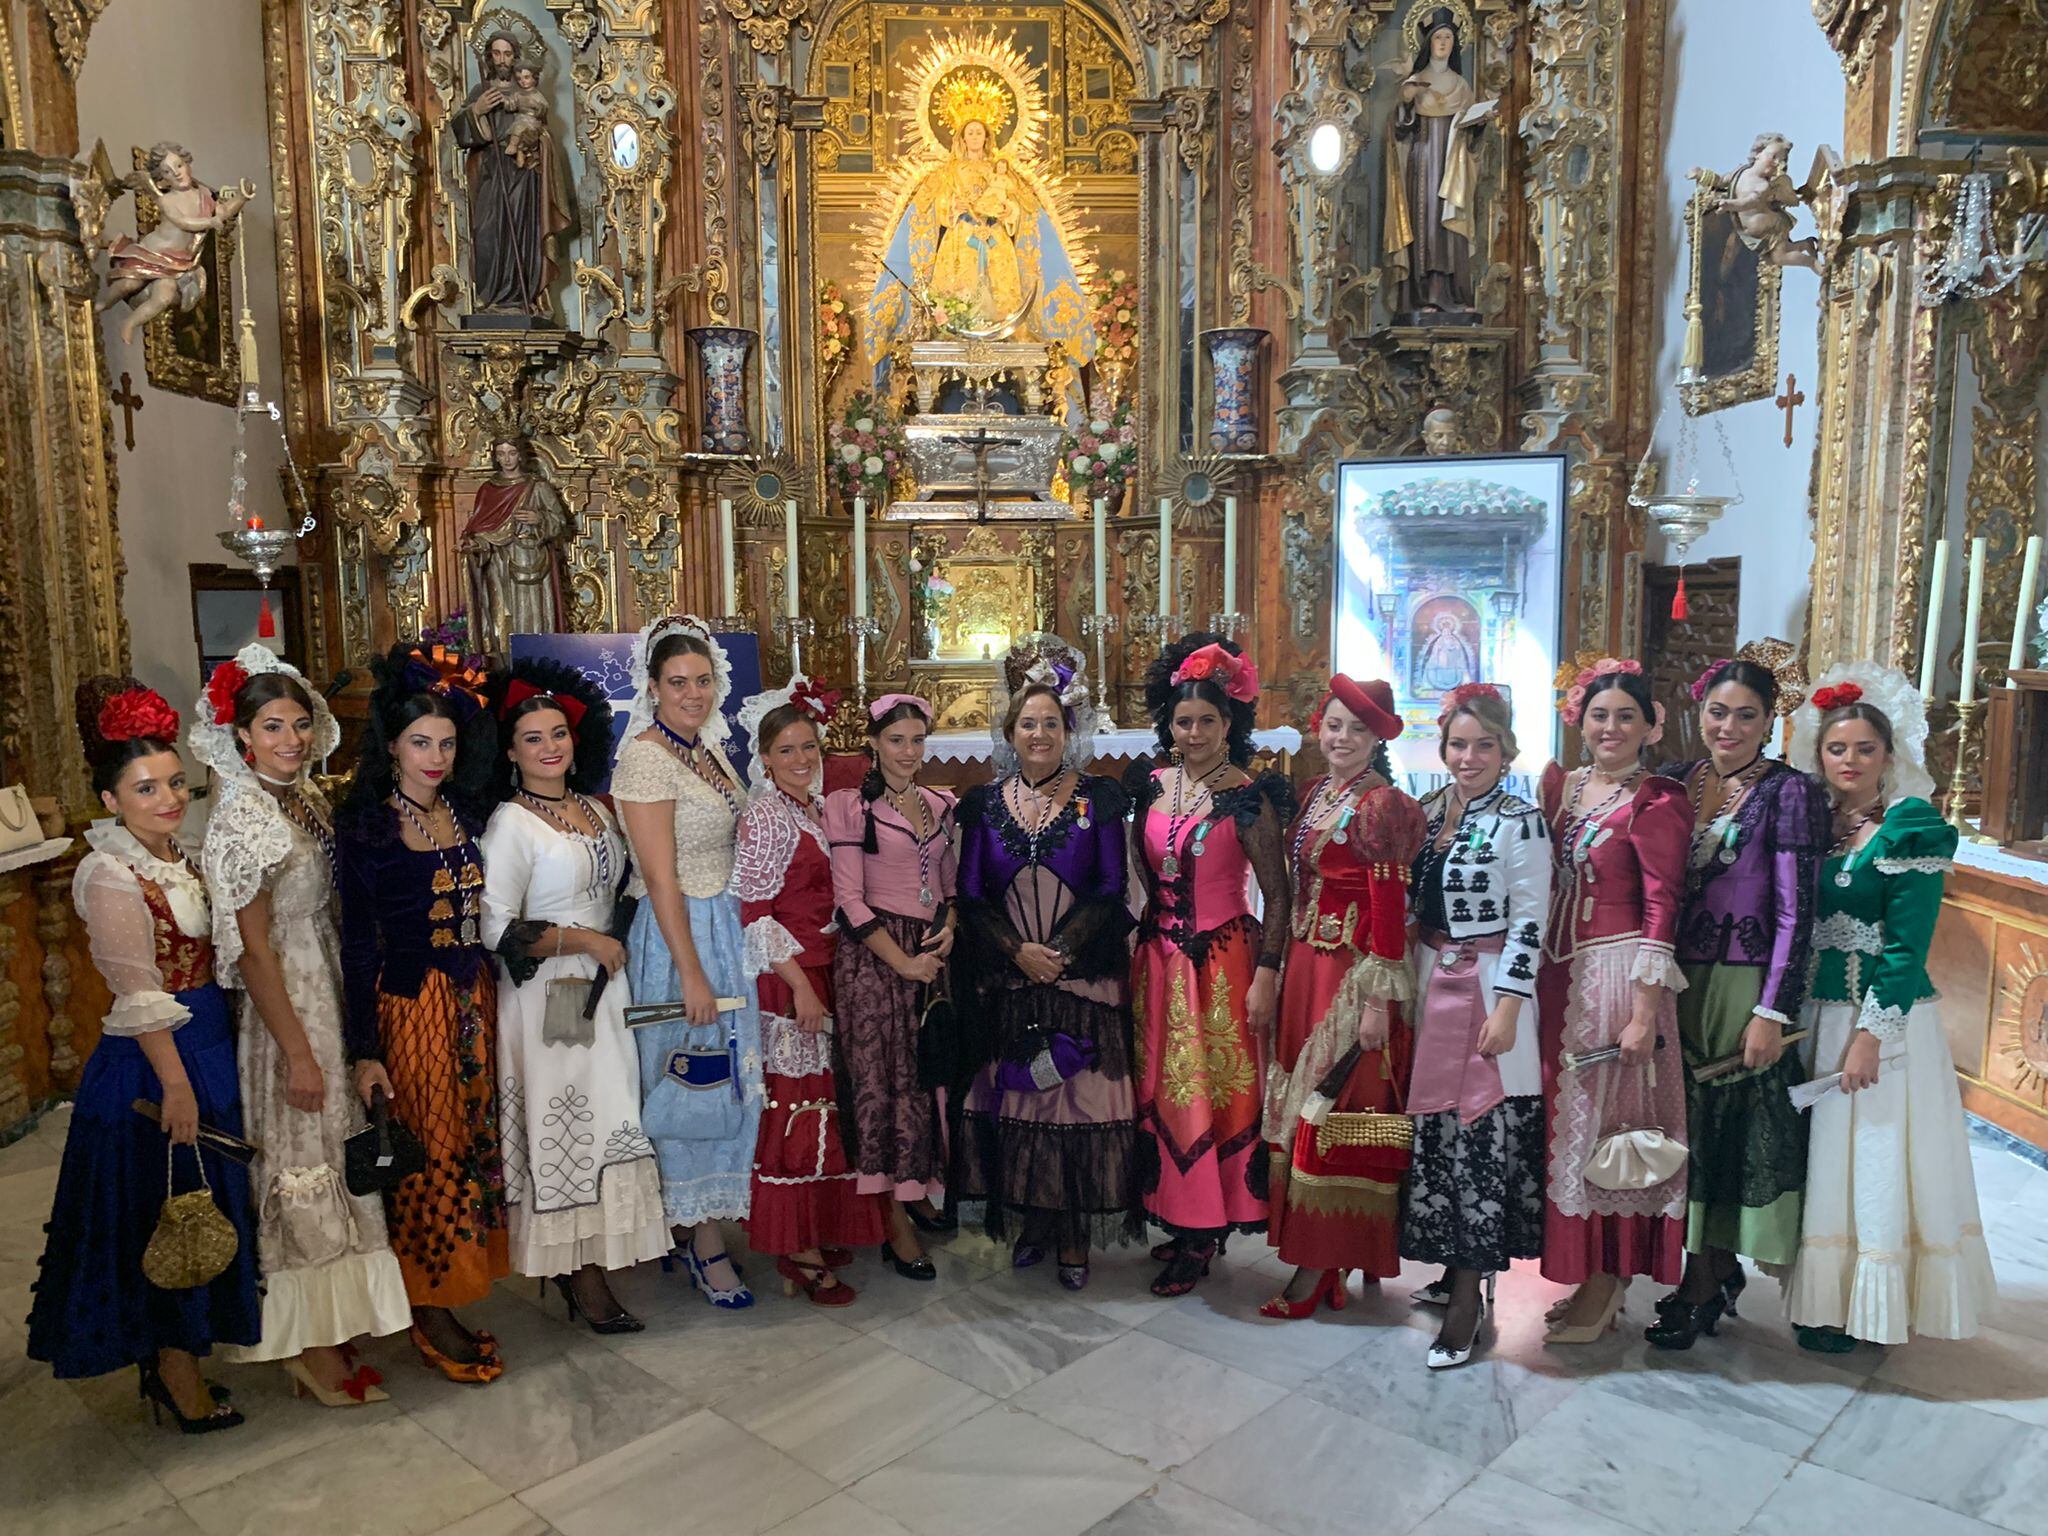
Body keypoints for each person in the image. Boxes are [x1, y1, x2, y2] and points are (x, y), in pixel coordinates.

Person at [26, 679, 260, 1432]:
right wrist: (176, 1085)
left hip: (209, 1040)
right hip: (156, 1059)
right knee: (163, 1210)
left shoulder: (182, 858)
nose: (166, 799)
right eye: (145, 788)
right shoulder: (108, 873)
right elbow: (136, 994)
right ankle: (173, 1373)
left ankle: (186, 1355)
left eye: (171, 784)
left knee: (205, 1203)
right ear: (110, 797)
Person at [192, 647, 408, 1405]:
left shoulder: (303, 799)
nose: (290, 738)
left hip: (328, 985)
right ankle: (307, 1346)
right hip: (286, 1002)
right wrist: (297, 1053)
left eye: (299, 724)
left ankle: (334, 1322)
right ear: (243, 736)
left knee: (337, 1149)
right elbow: (252, 952)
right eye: (273, 726)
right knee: (301, 1156)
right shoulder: (243, 817)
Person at [1784, 667, 1997, 1350]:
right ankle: (1823, 1301)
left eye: (1864, 750)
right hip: (1818, 1015)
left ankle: (1874, 1306)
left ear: (1889, 755)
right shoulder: (1815, 823)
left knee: (1875, 1154)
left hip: (1883, 1018)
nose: (1849, 762)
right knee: (1824, 1161)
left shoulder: (1910, 827)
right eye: (1836, 749)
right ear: (1818, 755)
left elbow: (1907, 948)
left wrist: (1873, 1036)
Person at [479, 657, 668, 1334]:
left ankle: (595, 1258)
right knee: (569, 1128)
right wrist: (584, 944)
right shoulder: (510, 823)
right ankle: (579, 1274)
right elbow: (496, 928)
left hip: (606, 989)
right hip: (549, 996)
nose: (549, 746)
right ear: (510, 751)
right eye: (533, 737)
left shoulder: (593, 808)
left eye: (557, 733)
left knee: (612, 1119)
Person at [337, 645, 509, 1382]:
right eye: (420, 742)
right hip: (411, 1004)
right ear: (393, 746)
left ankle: (454, 1286)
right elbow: (353, 942)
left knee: (470, 1143)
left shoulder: (465, 811)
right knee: (431, 1152)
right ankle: (428, 1306)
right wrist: (363, 1048)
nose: (435, 756)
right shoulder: (369, 826)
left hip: (474, 998)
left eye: (445, 742)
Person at [953, 637, 1142, 1290]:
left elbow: (1110, 890)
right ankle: (1033, 1217)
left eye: (1051, 723)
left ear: (1070, 730)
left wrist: (1056, 957)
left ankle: (1072, 1234)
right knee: (1021, 1103)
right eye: (1028, 723)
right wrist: (1018, 953)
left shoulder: (1101, 799)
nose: (1039, 733)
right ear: (1010, 732)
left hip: (1081, 976)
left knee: (1075, 1105)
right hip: (1009, 976)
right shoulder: (982, 805)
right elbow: (972, 896)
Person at [1648, 656, 1825, 1350]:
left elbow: (1795, 911)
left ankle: (1702, 1278)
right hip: (1678, 974)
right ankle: (1711, 1268)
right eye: (1718, 712)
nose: (1729, 727)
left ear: (1769, 720)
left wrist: (1771, 1010)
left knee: (1726, 1124)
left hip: (1741, 978)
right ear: (1699, 711)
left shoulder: (1789, 793)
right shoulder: (1680, 782)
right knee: (1685, 1123)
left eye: (1746, 715)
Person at [1128, 635, 1294, 1297]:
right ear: (1169, 724)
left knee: (1209, 1096)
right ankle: (1184, 1216)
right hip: (1159, 963)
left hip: (1220, 967)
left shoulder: (1248, 797)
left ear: (1230, 726)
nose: (1192, 732)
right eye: (1183, 721)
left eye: (1206, 721)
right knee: (1166, 1093)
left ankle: (1204, 1233)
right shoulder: (1152, 785)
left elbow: (1278, 894)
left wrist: (1268, 973)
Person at [612, 616, 764, 1309]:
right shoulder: (646, 757)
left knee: (726, 1076)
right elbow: (661, 878)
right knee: (692, 1078)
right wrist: (693, 973)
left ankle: (700, 1227)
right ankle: (702, 1241)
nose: (693, 693)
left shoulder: (705, 747)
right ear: (653, 687)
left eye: (703, 680)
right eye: (678, 683)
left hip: (723, 925)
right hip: (680, 938)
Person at [1264, 675, 1427, 1317]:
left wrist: (1379, 1001)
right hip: (1308, 964)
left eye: (1357, 730)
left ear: (1377, 737)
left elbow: (1390, 909)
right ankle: (1323, 1254)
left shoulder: (1383, 805)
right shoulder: (1316, 793)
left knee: (1333, 1110)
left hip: (1351, 976)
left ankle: (1319, 1265)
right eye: (1334, 725)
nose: (1341, 738)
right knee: (1304, 1104)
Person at [1538, 661, 1691, 1343]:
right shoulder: (1566, 789)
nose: (1611, 727)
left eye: (1626, 716)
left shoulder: (1655, 800)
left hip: (1619, 974)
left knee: (1612, 1132)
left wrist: (1643, 1011)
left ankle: (1610, 1282)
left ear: (1649, 725)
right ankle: (1586, 1274)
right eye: (1600, 715)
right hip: (1561, 974)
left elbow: (1663, 904)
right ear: (1581, 720)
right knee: (1571, 1132)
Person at [1403, 684, 1550, 1369]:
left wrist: (1511, 1006)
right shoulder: (1431, 813)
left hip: (1490, 988)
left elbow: (1529, 917)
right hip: (1436, 980)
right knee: (1441, 1134)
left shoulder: (1523, 819)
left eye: (1483, 745)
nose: (1469, 757)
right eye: (1458, 744)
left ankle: (1468, 1302)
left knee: (1479, 1138)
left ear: (1505, 749)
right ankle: (1455, 1271)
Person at [731, 676, 888, 1305]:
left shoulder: (813, 809)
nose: (802, 760)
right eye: (788, 751)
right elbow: (756, 914)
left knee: (828, 1101)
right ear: (766, 759)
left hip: (826, 970)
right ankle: (797, 1247)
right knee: (797, 1105)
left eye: (810, 749)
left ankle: (819, 1224)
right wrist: (800, 989)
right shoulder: (767, 816)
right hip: (792, 976)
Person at [823, 694, 958, 1281]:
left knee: (924, 1082)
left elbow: (949, 886)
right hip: (878, 959)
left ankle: (915, 1190)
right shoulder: (852, 807)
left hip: (928, 953)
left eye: (917, 740)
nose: (909, 752)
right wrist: (902, 963)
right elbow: (848, 899)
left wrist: (949, 927)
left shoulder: (939, 804)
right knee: (883, 1085)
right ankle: (891, 1224)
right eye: (897, 740)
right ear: (874, 744)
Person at [453, 33, 574, 315]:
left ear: (516, 57)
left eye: (507, 54)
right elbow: (460, 130)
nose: (502, 60)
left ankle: (522, 298)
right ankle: (491, 296)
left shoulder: (529, 95)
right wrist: (477, 110)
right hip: (490, 175)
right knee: (487, 234)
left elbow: (542, 132)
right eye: (496, 53)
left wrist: (535, 142)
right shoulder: (480, 92)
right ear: (489, 57)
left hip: (523, 176)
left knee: (523, 235)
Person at [1383, 10, 1491, 316]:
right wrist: (1406, 102)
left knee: (1452, 225)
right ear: (1428, 43)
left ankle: (1456, 292)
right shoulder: (1415, 82)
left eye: (1448, 38)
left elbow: (1473, 136)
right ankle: (1426, 292)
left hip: (1454, 165)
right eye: (1438, 37)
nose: (1443, 43)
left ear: (1455, 44)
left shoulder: (1461, 85)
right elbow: (1400, 130)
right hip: (1424, 162)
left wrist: (1480, 122)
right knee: (1427, 222)